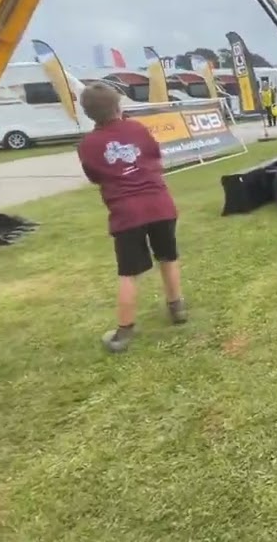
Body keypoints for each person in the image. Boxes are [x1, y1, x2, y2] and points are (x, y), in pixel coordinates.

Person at [76, 82, 186, 354]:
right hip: (160, 204)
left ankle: (123, 332)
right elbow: (154, 155)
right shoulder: (137, 128)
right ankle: (177, 307)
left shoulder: (87, 145)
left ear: (88, 113)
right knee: (168, 257)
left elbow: (94, 176)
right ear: (118, 106)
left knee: (128, 273)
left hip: (127, 213)